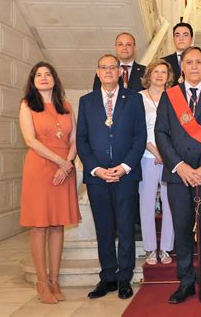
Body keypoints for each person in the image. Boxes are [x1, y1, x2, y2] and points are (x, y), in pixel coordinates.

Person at [155, 46, 201, 304]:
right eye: (190, 62)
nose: (195, 66)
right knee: (182, 229)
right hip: (179, 175)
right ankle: (186, 281)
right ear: (182, 67)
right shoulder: (170, 96)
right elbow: (161, 133)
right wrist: (180, 166)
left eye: (199, 62)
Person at [77, 54, 147, 300]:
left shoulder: (135, 99)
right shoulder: (86, 102)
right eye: (103, 67)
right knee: (104, 228)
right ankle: (107, 277)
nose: (108, 71)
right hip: (97, 177)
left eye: (112, 67)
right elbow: (82, 140)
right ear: (97, 72)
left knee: (126, 227)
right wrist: (96, 168)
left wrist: (125, 166)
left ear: (120, 72)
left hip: (125, 176)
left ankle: (124, 278)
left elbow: (140, 137)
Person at [19, 61, 81, 304]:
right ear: (33, 81)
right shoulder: (27, 105)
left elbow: (74, 138)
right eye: (38, 75)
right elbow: (30, 140)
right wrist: (60, 161)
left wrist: (67, 162)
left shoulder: (66, 106)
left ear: (55, 79)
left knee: (58, 225)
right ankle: (42, 282)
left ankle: (55, 280)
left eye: (47, 74)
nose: (43, 78)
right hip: (40, 168)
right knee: (40, 225)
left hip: (64, 169)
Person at [139, 59, 175, 265]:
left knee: (170, 203)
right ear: (149, 74)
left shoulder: (173, 97)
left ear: (168, 76)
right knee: (146, 202)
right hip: (147, 157)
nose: (160, 75)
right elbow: (137, 130)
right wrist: (155, 151)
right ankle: (151, 248)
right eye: (156, 71)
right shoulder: (138, 98)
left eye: (164, 72)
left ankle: (166, 248)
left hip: (170, 157)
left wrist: (167, 153)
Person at [163, 22, 194, 86]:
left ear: (191, 39)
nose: (181, 38)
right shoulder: (164, 62)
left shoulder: (200, 61)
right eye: (177, 35)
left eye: (185, 35)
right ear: (173, 39)